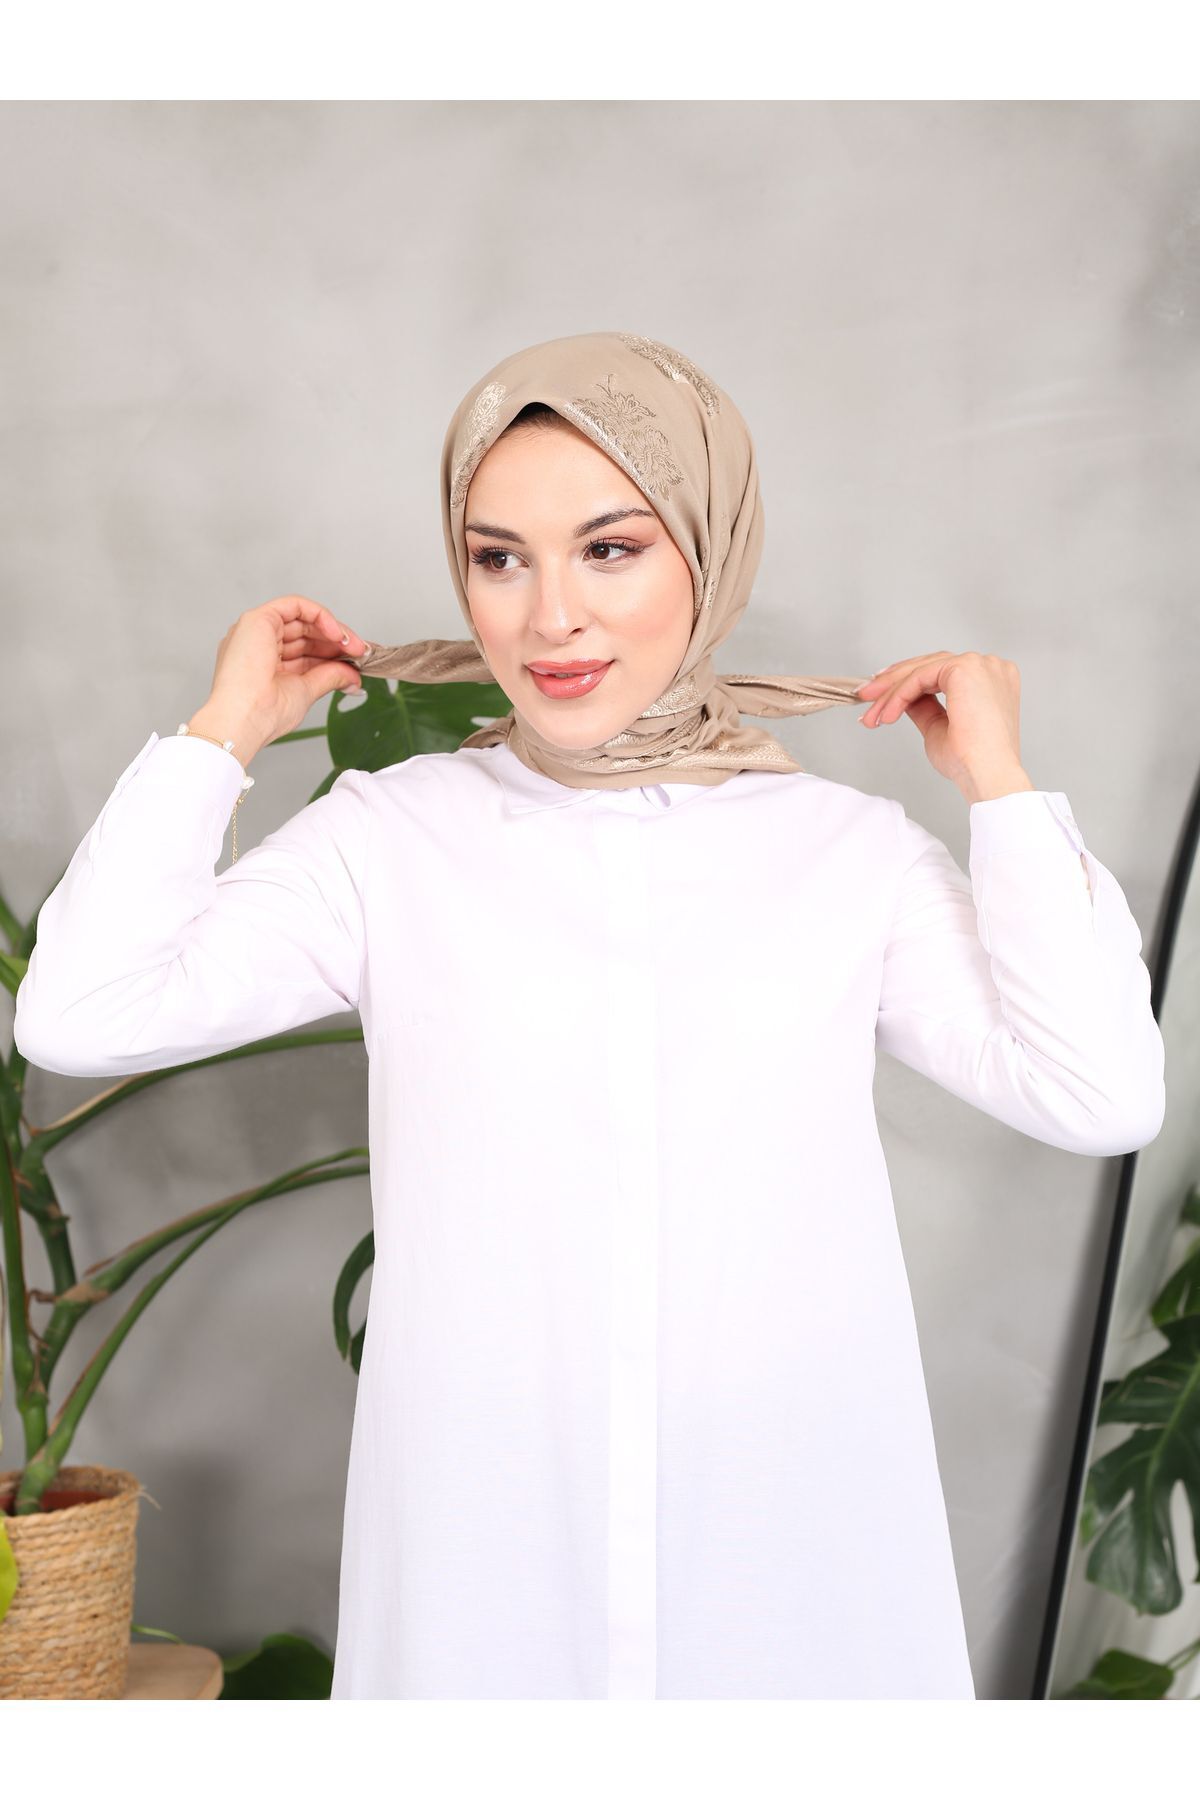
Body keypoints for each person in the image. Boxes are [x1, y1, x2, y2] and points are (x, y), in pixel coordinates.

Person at [13, 332, 1166, 1701]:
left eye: (610, 549)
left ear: (710, 552)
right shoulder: (387, 841)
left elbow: (1098, 1094)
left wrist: (1003, 792)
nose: (549, 615)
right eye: (499, 558)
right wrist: (223, 732)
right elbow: (80, 1014)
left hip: (787, 1540)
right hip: (489, 1543)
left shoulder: (847, 854)